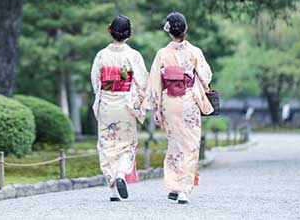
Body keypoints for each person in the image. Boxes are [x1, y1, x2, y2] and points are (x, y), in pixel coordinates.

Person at [148, 12, 214, 204]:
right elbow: (206, 76)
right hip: (188, 101)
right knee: (191, 146)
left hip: (169, 101)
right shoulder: (194, 52)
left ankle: (174, 185)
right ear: (185, 30)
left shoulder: (162, 54)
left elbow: (154, 82)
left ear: (169, 32)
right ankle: (184, 189)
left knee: (175, 144)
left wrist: (156, 109)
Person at [90, 15, 152, 202]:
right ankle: (121, 175)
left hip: (107, 105)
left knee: (107, 145)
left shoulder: (101, 55)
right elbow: (142, 82)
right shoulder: (133, 55)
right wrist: (140, 101)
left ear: (110, 31)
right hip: (125, 104)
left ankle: (113, 190)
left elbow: (95, 81)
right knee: (127, 144)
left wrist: (104, 93)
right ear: (129, 34)